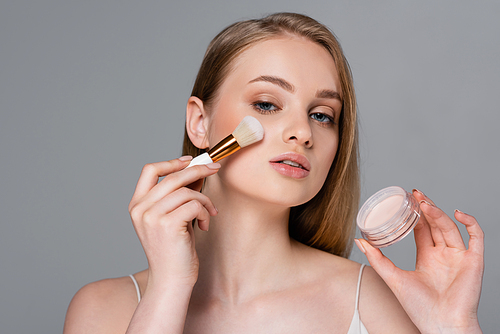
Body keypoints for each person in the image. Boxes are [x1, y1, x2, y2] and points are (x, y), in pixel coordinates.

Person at [63, 13, 484, 333]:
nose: (302, 132)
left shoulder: (370, 303)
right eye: (266, 104)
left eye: (322, 115)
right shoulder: (103, 310)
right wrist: (169, 288)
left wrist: (453, 325)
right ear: (199, 122)